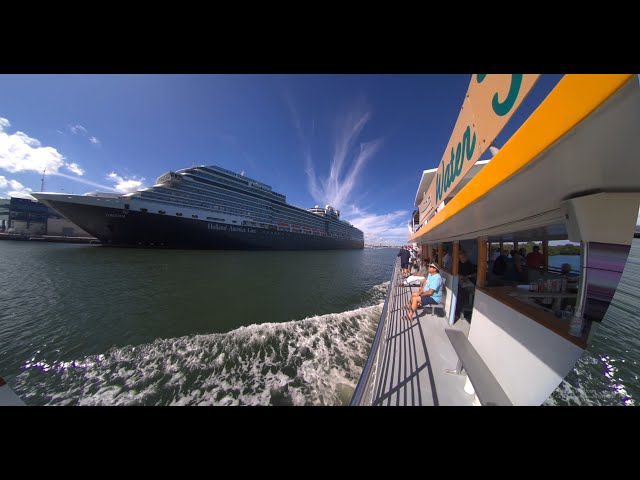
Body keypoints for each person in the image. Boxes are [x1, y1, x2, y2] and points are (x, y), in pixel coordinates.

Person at [455, 252, 477, 320]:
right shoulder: (458, 263)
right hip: (460, 281)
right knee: (458, 292)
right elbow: (456, 271)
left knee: (461, 294)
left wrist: (467, 276)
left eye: (462, 257)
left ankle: (460, 310)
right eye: (460, 257)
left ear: (466, 257)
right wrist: (459, 276)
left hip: (469, 282)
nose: (461, 259)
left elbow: (475, 274)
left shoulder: (470, 264)